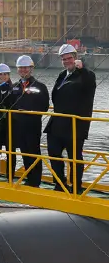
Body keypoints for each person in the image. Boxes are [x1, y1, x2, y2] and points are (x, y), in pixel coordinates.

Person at [45, 43, 97, 194]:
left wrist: (83, 68)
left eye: (69, 58)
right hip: (57, 123)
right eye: (63, 59)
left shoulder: (86, 75)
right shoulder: (62, 75)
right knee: (53, 153)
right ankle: (60, 183)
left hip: (75, 125)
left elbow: (89, 84)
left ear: (75, 58)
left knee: (75, 157)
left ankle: (76, 187)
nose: (66, 61)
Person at [9, 55, 49, 187]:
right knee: (24, 152)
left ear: (31, 69)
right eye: (20, 68)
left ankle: (35, 181)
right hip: (18, 126)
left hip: (33, 125)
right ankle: (28, 176)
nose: (23, 70)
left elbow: (44, 106)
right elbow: (9, 104)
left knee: (34, 152)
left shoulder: (40, 86)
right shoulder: (14, 87)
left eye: (25, 68)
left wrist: (27, 110)